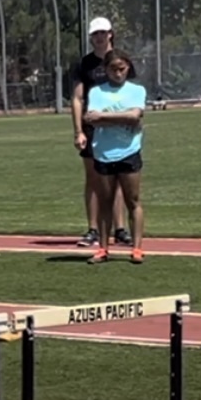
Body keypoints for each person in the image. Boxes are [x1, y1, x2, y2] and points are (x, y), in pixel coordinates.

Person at [83, 48, 147, 264]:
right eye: (113, 69)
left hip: (129, 151)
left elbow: (135, 115)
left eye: (122, 69)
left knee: (133, 200)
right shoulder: (96, 92)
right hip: (103, 152)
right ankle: (103, 248)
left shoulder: (136, 90)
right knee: (105, 202)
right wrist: (123, 118)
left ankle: (137, 248)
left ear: (128, 68)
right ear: (106, 70)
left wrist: (105, 117)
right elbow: (92, 118)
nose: (118, 73)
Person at [71, 17, 130, 249]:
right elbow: (77, 98)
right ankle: (93, 229)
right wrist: (78, 131)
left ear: (110, 34)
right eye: (95, 34)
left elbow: (129, 91)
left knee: (118, 178)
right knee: (94, 178)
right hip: (92, 127)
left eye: (102, 33)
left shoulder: (120, 60)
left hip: (117, 125)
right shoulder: (84, 64)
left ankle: (120, 229)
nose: (99, 38)